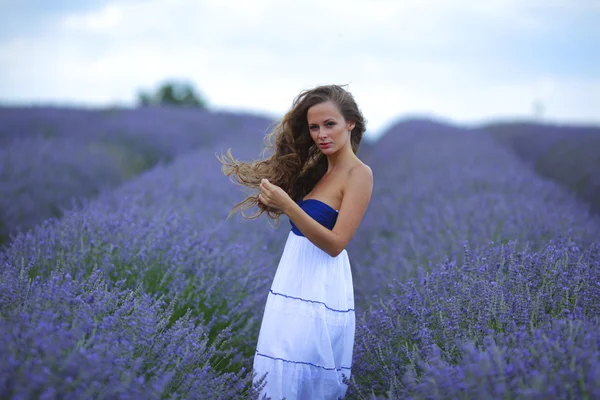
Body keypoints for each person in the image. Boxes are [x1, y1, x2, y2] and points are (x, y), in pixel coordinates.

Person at [218, 84, 373, 399]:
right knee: (280, 364)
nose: (321, 134)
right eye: (314, 127)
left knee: (304, 367)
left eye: (330, 124)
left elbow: (336, 243)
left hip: (320, 284)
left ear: (350, 123)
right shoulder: (319, 171)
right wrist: (277, 202)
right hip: (293, 277)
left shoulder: (359, 174)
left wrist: (289, 205)